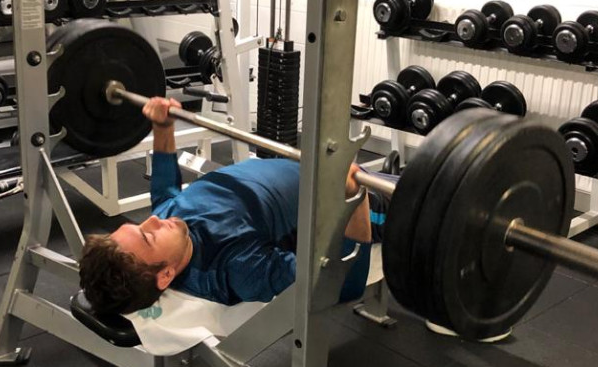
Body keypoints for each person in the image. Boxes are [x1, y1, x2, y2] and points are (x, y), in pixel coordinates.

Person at [79, 97, 387, 315]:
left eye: (139, 225)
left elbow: (165, 194)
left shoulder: (166, 229)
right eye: (148, 236)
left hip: (319, 173)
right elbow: (341, 286)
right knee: (428, 199)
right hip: (361, 201)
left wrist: (163, 128)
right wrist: (351, 195)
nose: (153, 221)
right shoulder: (234, 268)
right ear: (165, 276)